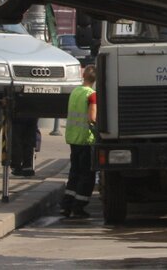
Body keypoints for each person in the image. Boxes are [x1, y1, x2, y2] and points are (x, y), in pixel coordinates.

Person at [61, 65, 97, 219]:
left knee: (74, 173)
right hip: (85, 139)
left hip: (73, 138)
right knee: (86, 175)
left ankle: (66, 205)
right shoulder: (92, 95)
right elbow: (92, 118)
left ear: (83, 76)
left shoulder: (75, 92)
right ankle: (79, 206)